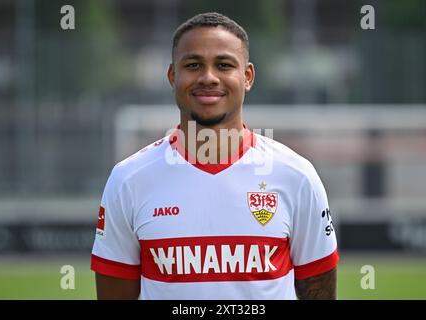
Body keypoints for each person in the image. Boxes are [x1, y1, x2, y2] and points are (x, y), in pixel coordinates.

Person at [91, 12, 339, 300]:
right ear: (173, 76)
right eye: (193, 65)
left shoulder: (296, 176)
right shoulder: (128, 180)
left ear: (247, 77)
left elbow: (319, 290)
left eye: (224, 65)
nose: (208, 77)